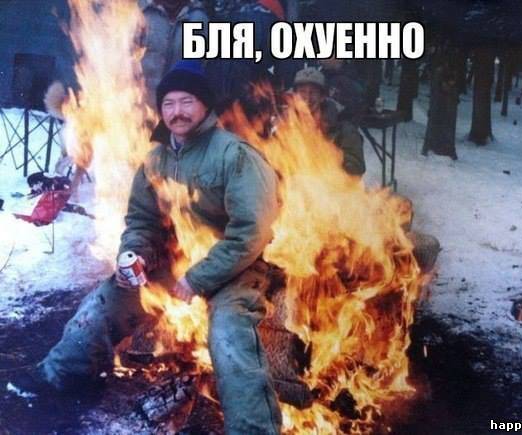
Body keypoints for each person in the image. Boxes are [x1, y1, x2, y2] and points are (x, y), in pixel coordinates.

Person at [9, 60, 282, 435]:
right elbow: (142, 220)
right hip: (175, 261)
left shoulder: (236, 156)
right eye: (169, 103)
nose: (177, 111)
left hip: (235, 269)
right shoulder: (156, 159)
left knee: (229, 336)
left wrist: (199, 278)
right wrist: (134, 254)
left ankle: (254, 428)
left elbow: (251, 233)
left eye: (186, 101)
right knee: (105, 301)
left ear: (205, 105)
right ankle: (60, 375)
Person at [293, 67, 366, 176]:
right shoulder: (286, 125)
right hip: (292, 184)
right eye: (302, 92)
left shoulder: (343, 128)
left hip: (328, 184)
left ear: (322, 97)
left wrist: (326, 157)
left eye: (313, 92)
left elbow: (356, 167)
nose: (307, 98)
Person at [139, 0, 210, 107]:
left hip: (178, 108)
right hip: (139, 105)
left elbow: (202, 67)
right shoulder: (139, 13)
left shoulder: (198, 19)